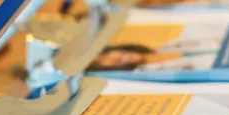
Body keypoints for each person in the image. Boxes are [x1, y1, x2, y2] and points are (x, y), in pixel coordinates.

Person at [89, 44, 218, 72]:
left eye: (103, 56)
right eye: (100, 64)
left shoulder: (168, 45)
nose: (111, 59)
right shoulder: (154, 72)